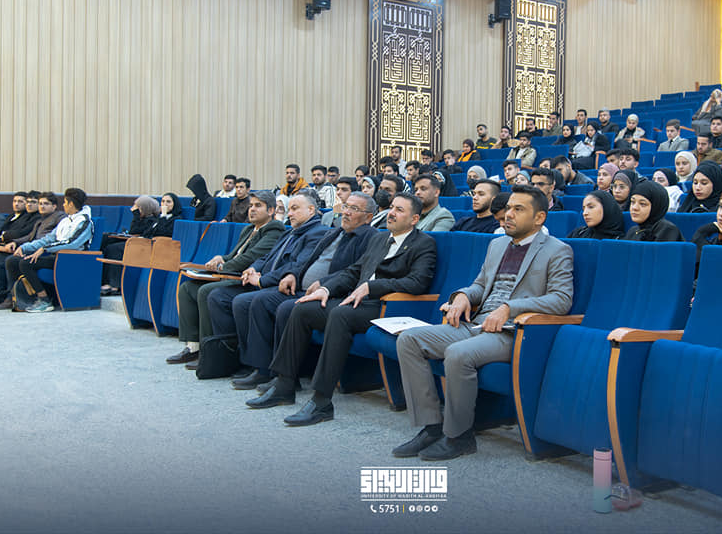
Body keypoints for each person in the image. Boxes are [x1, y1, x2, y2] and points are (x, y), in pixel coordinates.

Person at [393, 185, 573, 460]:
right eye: (508, 208)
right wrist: (463, 296)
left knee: (458, 353)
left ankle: (459, 437)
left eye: (518, 209)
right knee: (410, 340)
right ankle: (431, 427)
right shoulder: (497, 244)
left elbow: (561, 300)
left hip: (512, 333)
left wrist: (509, 308)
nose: (508, 214)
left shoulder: (557, 250)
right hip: (476, 323)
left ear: (539, 218)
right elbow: (480, 285)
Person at [245, 194, 437, 427]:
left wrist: (373, 287)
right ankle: (284, 385)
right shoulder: (380, 239)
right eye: (392, 208)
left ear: (414, 219)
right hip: (357, 302)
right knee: (302, 308)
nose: (391, 213)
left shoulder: (423, 243)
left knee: (340, 315)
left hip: (386, 307)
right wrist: (326, 288)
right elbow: (354, 271)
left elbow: (418, 282)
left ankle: (321, 401)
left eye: (399, 210)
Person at [231, 193, 380, 389]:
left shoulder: (370, 237)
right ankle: (263, 370)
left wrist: (324, 284)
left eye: (354, 209)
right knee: (259, 301)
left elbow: (354, 271)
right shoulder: (334, 232)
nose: (346, 212)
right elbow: (307, 260)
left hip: (330, 293)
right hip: (300, 286)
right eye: (345, 207)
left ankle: (286, 377)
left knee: (286, 308)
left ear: (368, 217)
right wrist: (292, 274)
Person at [165, 192, 287, 366]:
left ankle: (210, 352)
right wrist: (220, 258)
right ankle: (193, 347)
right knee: (187, 288)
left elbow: (250, 258)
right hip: (230, 274)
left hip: (246, 280)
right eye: (251, 205)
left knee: (205, 291)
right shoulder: (248, 229)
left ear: (271, 210)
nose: (252, 209)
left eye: (258, 206)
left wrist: (222, 267)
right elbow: (234, 255)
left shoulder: (274, 231)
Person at [8, 188, 93, 313]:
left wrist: (45, 249)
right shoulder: (65, 221)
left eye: (65, 202)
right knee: (18, 261)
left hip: (72, 258)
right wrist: (24, 247)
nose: (63, 205)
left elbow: (73, 243)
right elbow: (48, 239)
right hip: (57, 256)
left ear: (71, 204)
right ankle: (30, 296)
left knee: (26, 263)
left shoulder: (85, 221)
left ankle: (44, 300)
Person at [0, 192, 65, 310]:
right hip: (33, 248)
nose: (42, 206)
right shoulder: (41, 219)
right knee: (9, 260)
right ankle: (16, 296)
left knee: (12, 260)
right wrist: (15, 242)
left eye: (46, 204)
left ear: (54, 206)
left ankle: (20, 297)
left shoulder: (59, 217)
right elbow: (30, 237)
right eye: (40, 204)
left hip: (45, 251)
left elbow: (52, 239)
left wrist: (25, 247)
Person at [98, 195, 160, 295]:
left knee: (114, 249)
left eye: (138, 207)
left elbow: (135, 231)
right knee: (106, 243)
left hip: (143, 246)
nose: (134, 209)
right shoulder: (143, 218)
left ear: (145, 208)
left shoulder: (152, 220)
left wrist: (136, 215)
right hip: (135, 242)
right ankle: (104, 280)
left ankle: (115, 285)